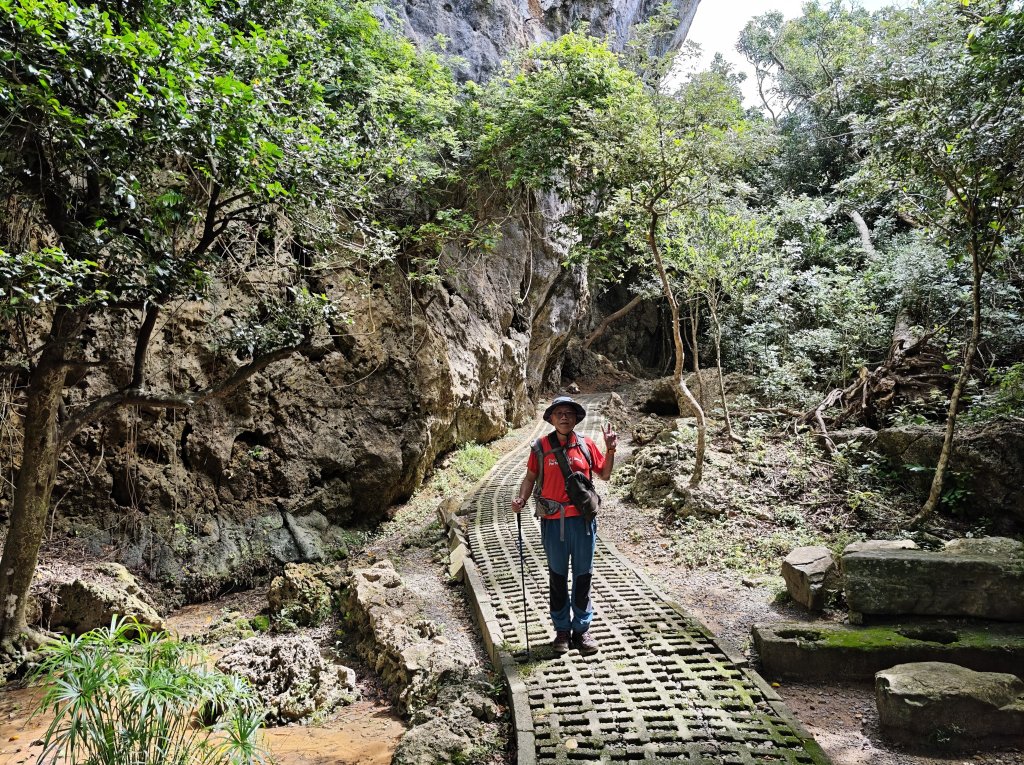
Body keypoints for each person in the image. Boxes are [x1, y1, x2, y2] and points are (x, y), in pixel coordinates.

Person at [510, 395, 617, 655]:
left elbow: (604, 474)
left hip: (582, 522)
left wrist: (610, 450)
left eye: (569, 413)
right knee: (557, 577)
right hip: (552, 522)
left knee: (583, 576)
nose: (564, 417)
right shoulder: (540, 447)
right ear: (551, 419)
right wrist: (521, 498)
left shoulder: (586, 444)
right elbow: (530, 477)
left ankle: (581, 630)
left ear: (576, 418)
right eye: (559, 413)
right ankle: (561, 630)